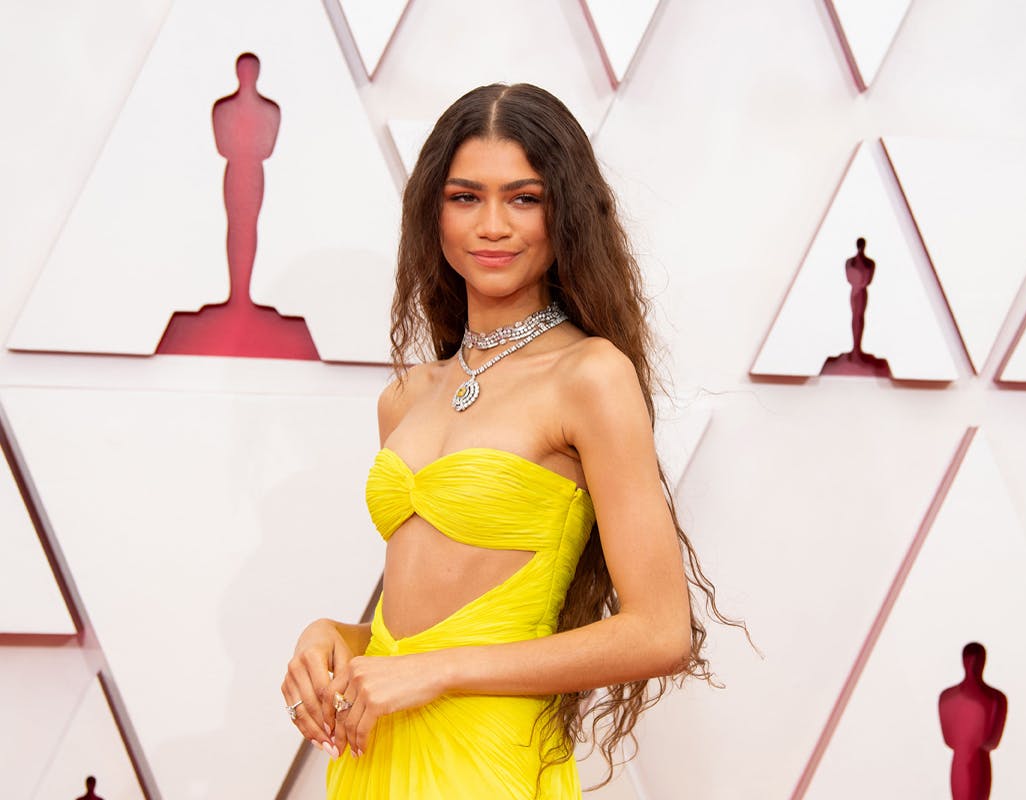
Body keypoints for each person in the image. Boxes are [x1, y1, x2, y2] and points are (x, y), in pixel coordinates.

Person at [281, 83, 737, 798]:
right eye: (465, 197)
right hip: (375, 759)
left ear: (566, 214)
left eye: (524, 198)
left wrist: (440, 671)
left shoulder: (590, 376)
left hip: (488, 762)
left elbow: (659, 631)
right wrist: (336, 635)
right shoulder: (406, 398)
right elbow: (417, 622)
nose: (492, 225)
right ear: (433, 213)